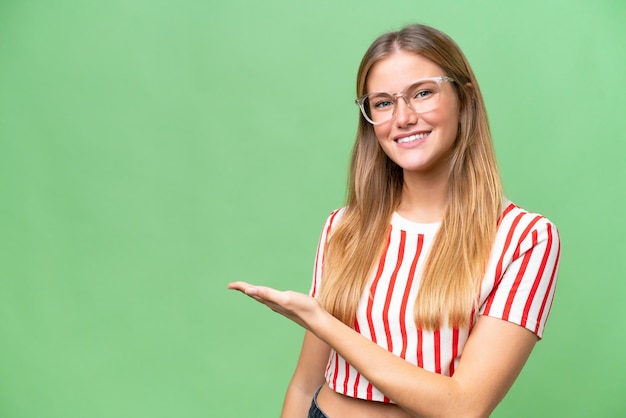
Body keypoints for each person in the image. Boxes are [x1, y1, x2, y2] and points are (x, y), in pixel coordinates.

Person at [228, 23, 560, 418]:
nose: (403, 117)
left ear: (465, 98)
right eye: (383, 103)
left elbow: (465, 406)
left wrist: (320, 321)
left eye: (422, 93)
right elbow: (304, 385)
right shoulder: (344, 227)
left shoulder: (525, 239)